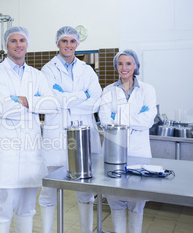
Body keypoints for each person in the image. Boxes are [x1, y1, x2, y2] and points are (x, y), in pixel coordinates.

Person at [0, 26, 59, 233]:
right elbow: (4, 108)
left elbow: (52, 104)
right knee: (5, 205)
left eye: (22, 41)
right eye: (14, 41)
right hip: (7, 148)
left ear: (27, 44)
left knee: (27, 206)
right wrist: (35, 103)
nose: (18, 45)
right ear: (6, 45)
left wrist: (22, 100)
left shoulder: (36, 74)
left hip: (32, 149)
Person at [39, 26, 102, 233]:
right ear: (57, 43)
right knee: (49, 191)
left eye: (72, 41)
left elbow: (96, 102)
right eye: (64, 41)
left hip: (83, 136)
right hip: (56, 136)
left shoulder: (87, 70)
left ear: (78, 44)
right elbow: (53, 100)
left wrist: (67, 97)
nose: (68, 45)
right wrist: (82, 94)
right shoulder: (48, 70)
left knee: (85, 192)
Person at [99, 49, 156, 233]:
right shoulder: (108, 90)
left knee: (137, 201)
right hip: (113, 153)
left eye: (129, 63)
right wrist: (135, 116)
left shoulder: (147, 89)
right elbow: (105, 120)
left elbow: (148, 121)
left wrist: (120, 116)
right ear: (116, 66)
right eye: (120, 63)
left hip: (139, 154)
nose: (124, 68)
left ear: (136, 66)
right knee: (115, 199)